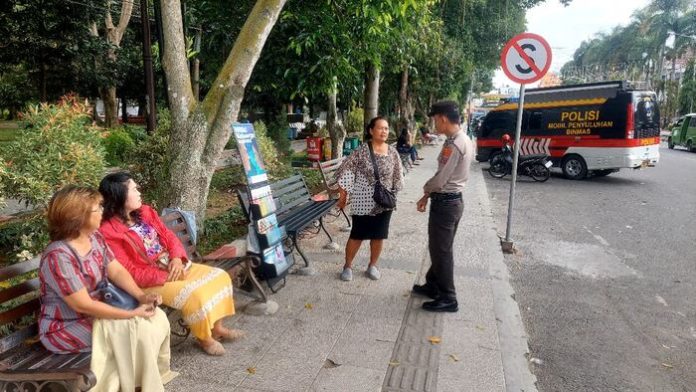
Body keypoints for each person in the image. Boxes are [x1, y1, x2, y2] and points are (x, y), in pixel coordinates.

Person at [39, 185, 176, 392]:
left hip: (96, 315)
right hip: (65, 327)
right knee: (134, 330)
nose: (103, 211)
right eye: (98, 208)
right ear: (78, 216)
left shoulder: (94, 239)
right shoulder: (59, 256)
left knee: (155, 318)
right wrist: (128, 314)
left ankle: (140, 384)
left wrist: (141, 296)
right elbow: (83, 305)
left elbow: (117, 271)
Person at [98, 172, 243, 356]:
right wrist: (166, 275)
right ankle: (204, 339)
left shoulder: (145, 212)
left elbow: (168, 236)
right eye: (134, 189)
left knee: (220, 276)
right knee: (196, 295)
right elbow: (128, 271)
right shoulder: (109, 231)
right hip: (147, 282)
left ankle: (218, 328)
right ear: (119, 196)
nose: (139, 192)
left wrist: (176, 258)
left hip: (172, 265)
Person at [414, 101, 474, 312]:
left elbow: (441, 179)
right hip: (451, 202)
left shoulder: (455, 144)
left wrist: (426, 190)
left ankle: (448, 297)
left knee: (442, 251)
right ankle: (433, 284)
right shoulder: (460, 139)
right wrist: (428, 194)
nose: (434, 123)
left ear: (443, 118)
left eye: (435, 119)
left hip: (446, 203)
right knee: (439, 248)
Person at [335, 116, 404, 281]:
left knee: (379, 235)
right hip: (362, 202)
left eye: (386, 128)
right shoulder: (361, 151)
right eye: (380, 128)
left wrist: (393, 196)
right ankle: (348, 265)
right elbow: (345, 172)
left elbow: (398, 177)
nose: (384, 131)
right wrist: (343, 197)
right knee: (357, 235)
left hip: (383, 202)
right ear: (371, 131)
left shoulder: (393, 152)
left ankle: (372, 265)